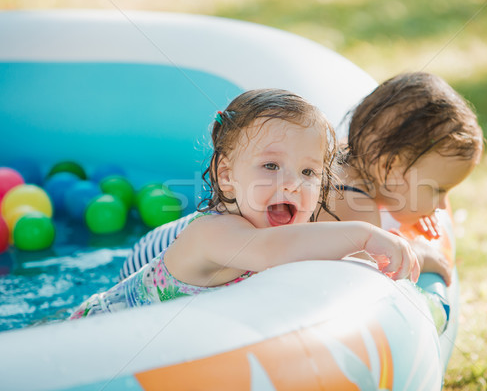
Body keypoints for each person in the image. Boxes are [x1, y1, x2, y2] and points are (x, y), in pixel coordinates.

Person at [71, 89, 419, 319]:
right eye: (270, 166)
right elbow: (267, 252)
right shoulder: (212, 233)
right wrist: (363, 234)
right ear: (226, 176)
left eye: (309, 171)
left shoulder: (287, 232)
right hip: (96, 335)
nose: (292, 183)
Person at [321, 71, 484, 286]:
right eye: (438, 190)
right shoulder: (357, 207)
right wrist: (419, 252)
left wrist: (415, 203)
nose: (443, 205)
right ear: (389, 168)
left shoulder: (340, 151)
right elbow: (373, 276)